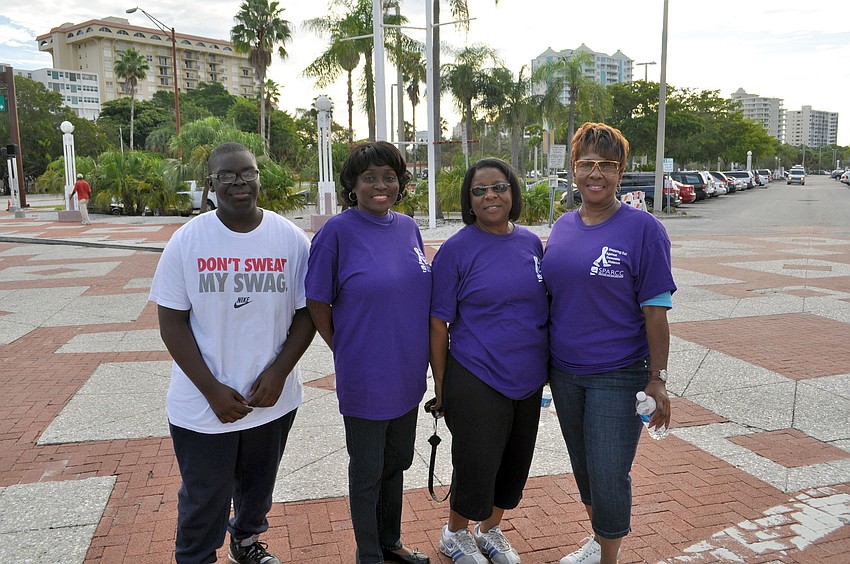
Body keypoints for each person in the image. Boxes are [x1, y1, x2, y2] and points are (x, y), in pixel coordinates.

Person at [149, 142, 315, 564]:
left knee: (257, 487)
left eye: (248, 172)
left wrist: (279, 373)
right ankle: (196, 556)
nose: (240, 182)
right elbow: (171, 323)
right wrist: (211, 390)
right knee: (205, 496)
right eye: (227, 175)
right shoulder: (187, 241)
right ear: (211, 183)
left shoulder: (290, 239)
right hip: (203, 403)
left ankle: (246, 542)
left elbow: (307, 314)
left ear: (260, 176)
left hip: (271, 399)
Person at [541, 123, 676, 564]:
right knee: (583, 467)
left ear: (621, 171)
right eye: (586, 164)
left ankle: (608, 557)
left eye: (607, 165)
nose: (595, 174)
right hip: (564, 372)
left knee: (609, 471)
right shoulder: (562, 227)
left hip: (617, 374)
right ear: (573, 169)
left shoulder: (644, 229)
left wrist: (657, 379)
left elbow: (655, 312)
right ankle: (598, 542)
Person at [305, 141, 432, 564]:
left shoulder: (408, 227)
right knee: (367, 471)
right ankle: (369, 554)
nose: (381, 185)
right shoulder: (337, 232)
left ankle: (390, 542)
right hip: (366, 373)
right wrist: (343, 346)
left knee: (397, 461)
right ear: (352, 186)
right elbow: (317, 300)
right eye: (369, 178)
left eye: (389, 177)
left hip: (408, 372)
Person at [429, 158, 548, 564]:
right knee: (476, 463)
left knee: (514, 466)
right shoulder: (456, 250)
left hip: (528, 378)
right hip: (476, 375)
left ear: (512, 192)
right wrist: (441, 384)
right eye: (479, 190)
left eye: (498, 187)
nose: (490, 196)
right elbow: (437, 322)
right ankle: (455, 533)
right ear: (469, 200)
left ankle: (489, 530)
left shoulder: (531, 243)